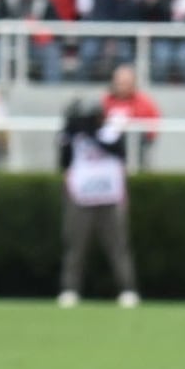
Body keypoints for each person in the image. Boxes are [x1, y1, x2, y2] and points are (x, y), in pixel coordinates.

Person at [59, 93, 140, 306]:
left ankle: (127, 289)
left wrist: (92, 134)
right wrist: (71, 134)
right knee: (75, 247)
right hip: (81, 197)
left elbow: (117, 151)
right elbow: (64, 163)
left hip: (109, 197)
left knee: (117, 247)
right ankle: (70, 289)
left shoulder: (111, 132)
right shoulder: (72, 137)